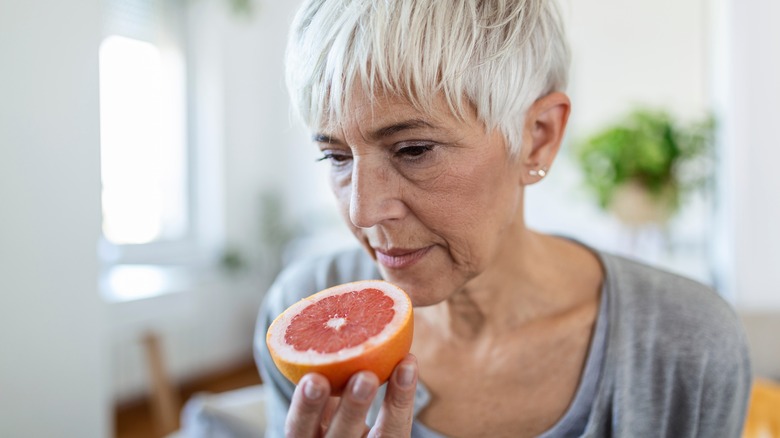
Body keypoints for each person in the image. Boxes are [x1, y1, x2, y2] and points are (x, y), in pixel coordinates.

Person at [255, 0, 752, 436]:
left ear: (538, 135)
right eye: (336, 157)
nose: (362, 210)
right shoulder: (305, 319)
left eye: (413, 150)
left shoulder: (685, 346)